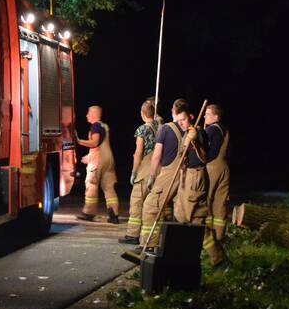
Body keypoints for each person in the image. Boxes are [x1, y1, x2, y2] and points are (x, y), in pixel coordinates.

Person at [139, 99, 207, 251]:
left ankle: (149, 245)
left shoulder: (192, 132)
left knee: (153, 206)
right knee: (181, 215)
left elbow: (157, 156)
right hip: (184, 176)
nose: (181, 122)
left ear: (191, 116)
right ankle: (175, 248)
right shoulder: (185, 132)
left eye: (184, 119)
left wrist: (152, 176)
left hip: (188, 177)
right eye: (180, 119)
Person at [119, 99, 159, 243]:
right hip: (159, 169)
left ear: (142, 113)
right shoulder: (160, 127)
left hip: (145, 168)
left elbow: (138, 152)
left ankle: (133, 235)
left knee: (137, 201)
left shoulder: (142, 129)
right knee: (152, 205)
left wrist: (134, 172)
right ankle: (151, 238)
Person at [74, 106, 120, 223]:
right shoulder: (105, 126)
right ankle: (114, 215)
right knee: (109, 188)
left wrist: (79, 141)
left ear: (95, 114)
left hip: (98, 160)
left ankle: (89, 212)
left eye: (88, 113)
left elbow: (95, 143)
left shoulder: (95, 126)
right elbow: (102, 145)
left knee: (91, 184)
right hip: (109, 159)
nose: (86, 115)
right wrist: (89, 157)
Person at [200, 104, 230, 267]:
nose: (205, 117)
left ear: (216, 117)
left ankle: (211, 242)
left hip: (212, 167)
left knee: (208, 202)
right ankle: (219, 237)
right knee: (220, 204)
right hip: (224, 167)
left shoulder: (212, 130)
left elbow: (208, 152)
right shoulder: (225, 130)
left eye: (208, 114)